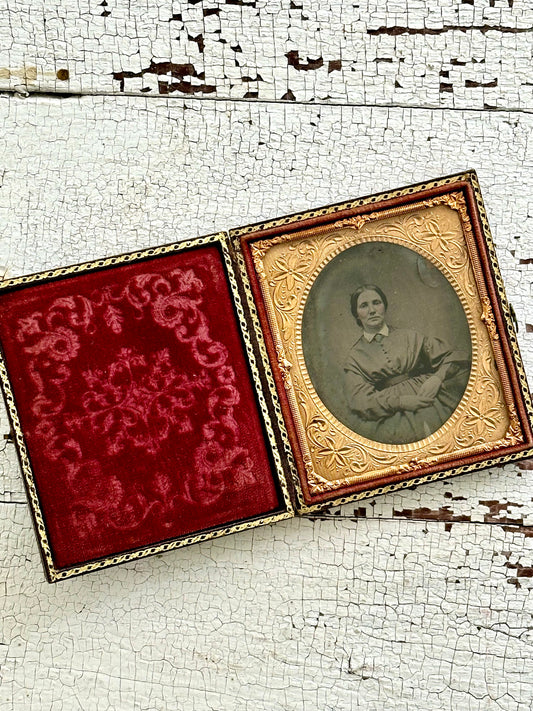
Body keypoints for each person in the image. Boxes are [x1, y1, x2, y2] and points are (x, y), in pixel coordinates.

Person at [343, 285, 471, 444]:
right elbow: (360, 401)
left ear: (384, 306)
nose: (372, 310)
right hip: (391, 414)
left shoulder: (409, 336)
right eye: (364, 305)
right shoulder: (354, 357)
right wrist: (401, 401)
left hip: (430, 396)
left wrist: (437, 378)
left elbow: (453, 356)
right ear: (356, 315)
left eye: (376, 302)